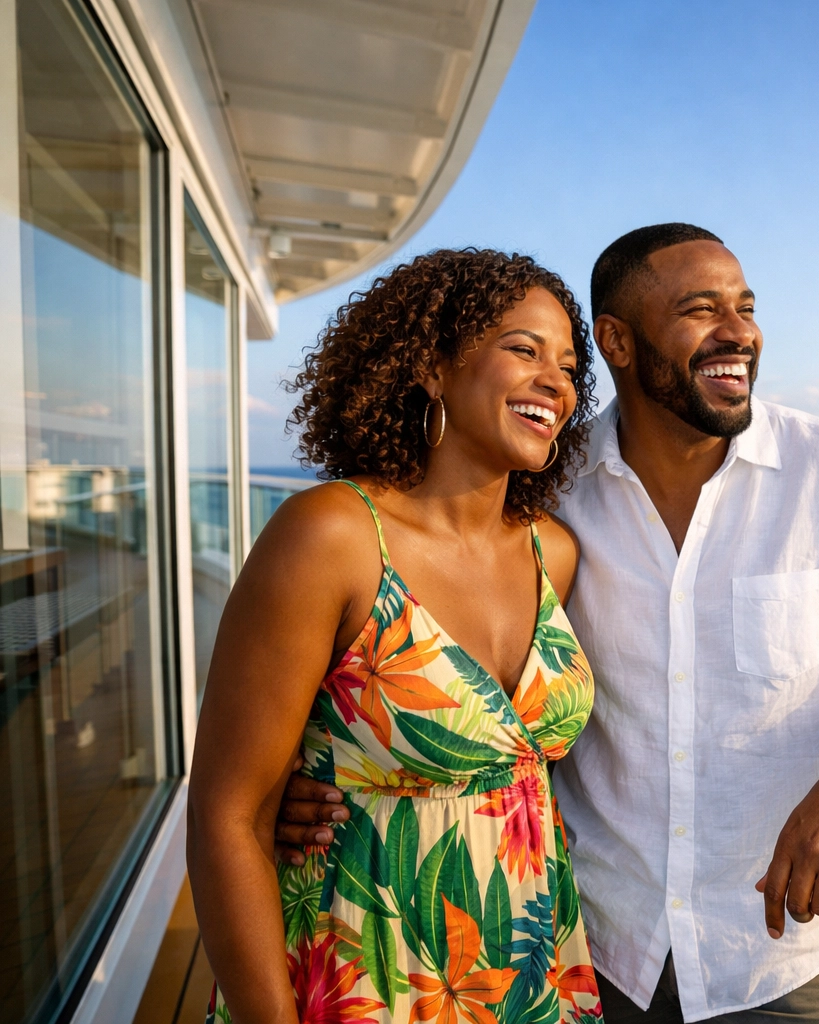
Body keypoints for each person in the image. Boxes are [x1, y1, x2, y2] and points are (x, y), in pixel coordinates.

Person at [278, 224, 819, 1024]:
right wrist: (306, 782)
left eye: (746, 307)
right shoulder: (547, 496)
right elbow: (412, 641)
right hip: (585, 946)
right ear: (618, 342)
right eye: (701, 310)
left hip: (775, 962)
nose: (740, 334)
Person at [188, 249, 606, 1024]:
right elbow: (229, 816)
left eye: (569, 365)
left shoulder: (556, 551)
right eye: (523, 349)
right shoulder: (334, 537)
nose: (557, 381)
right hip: (362, 967)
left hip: (524, 965)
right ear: (432, 367)